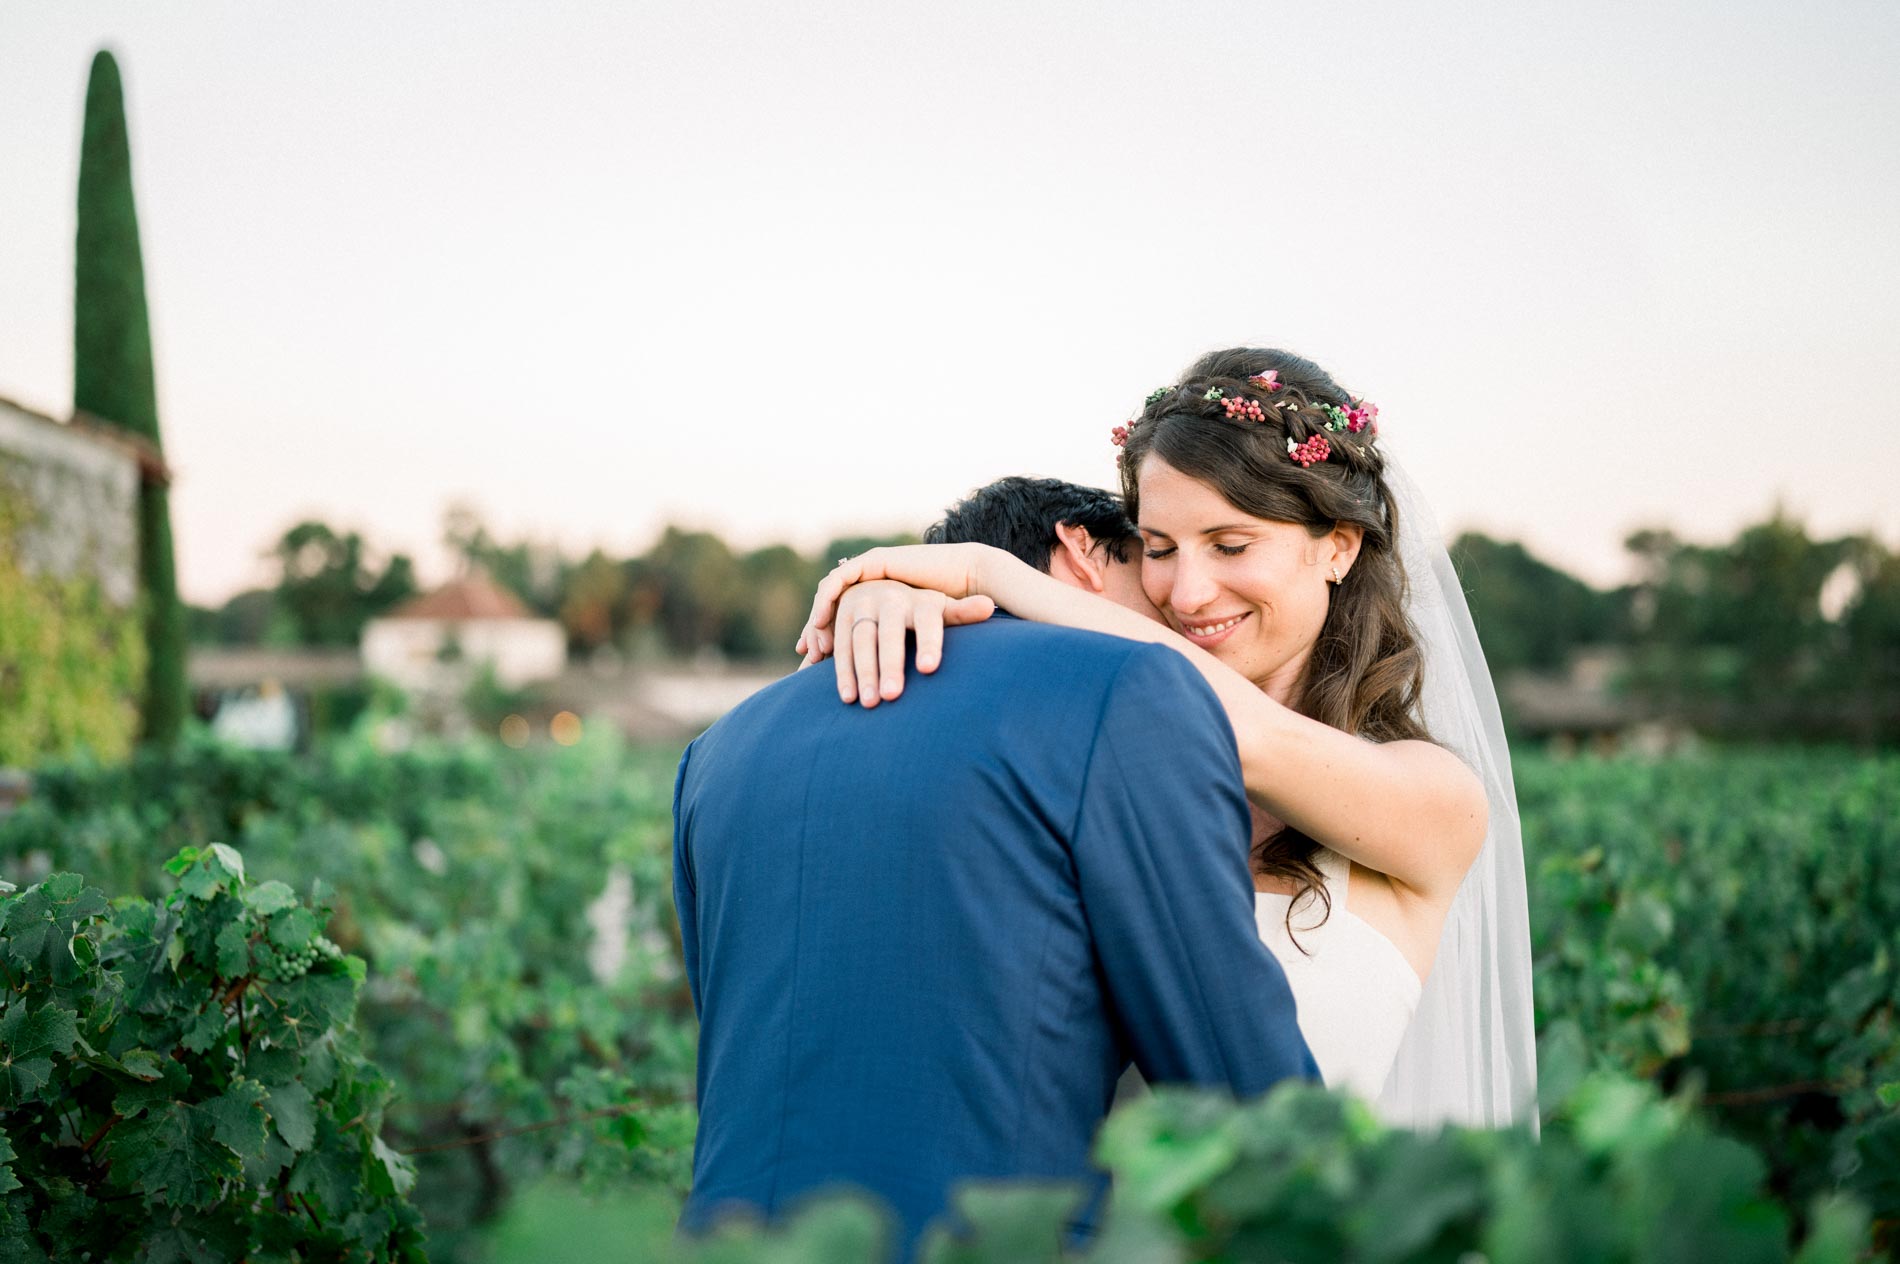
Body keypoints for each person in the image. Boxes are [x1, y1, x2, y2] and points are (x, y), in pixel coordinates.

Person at [797, 348, 1537, 1128]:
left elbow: (1244, 733)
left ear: (1338, 547)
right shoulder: (1103, 779)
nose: (1186, 593)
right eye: (1158, 548)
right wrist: (887, 606)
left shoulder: (1437, 796)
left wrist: (987, 573)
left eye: (1231, 545)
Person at [673, 475, 1319, 1260]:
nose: (1183, 605)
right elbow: (1233, 1081)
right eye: (1150, 556)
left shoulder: (718, 752)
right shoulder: (1131, 688)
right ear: (1081, 552)